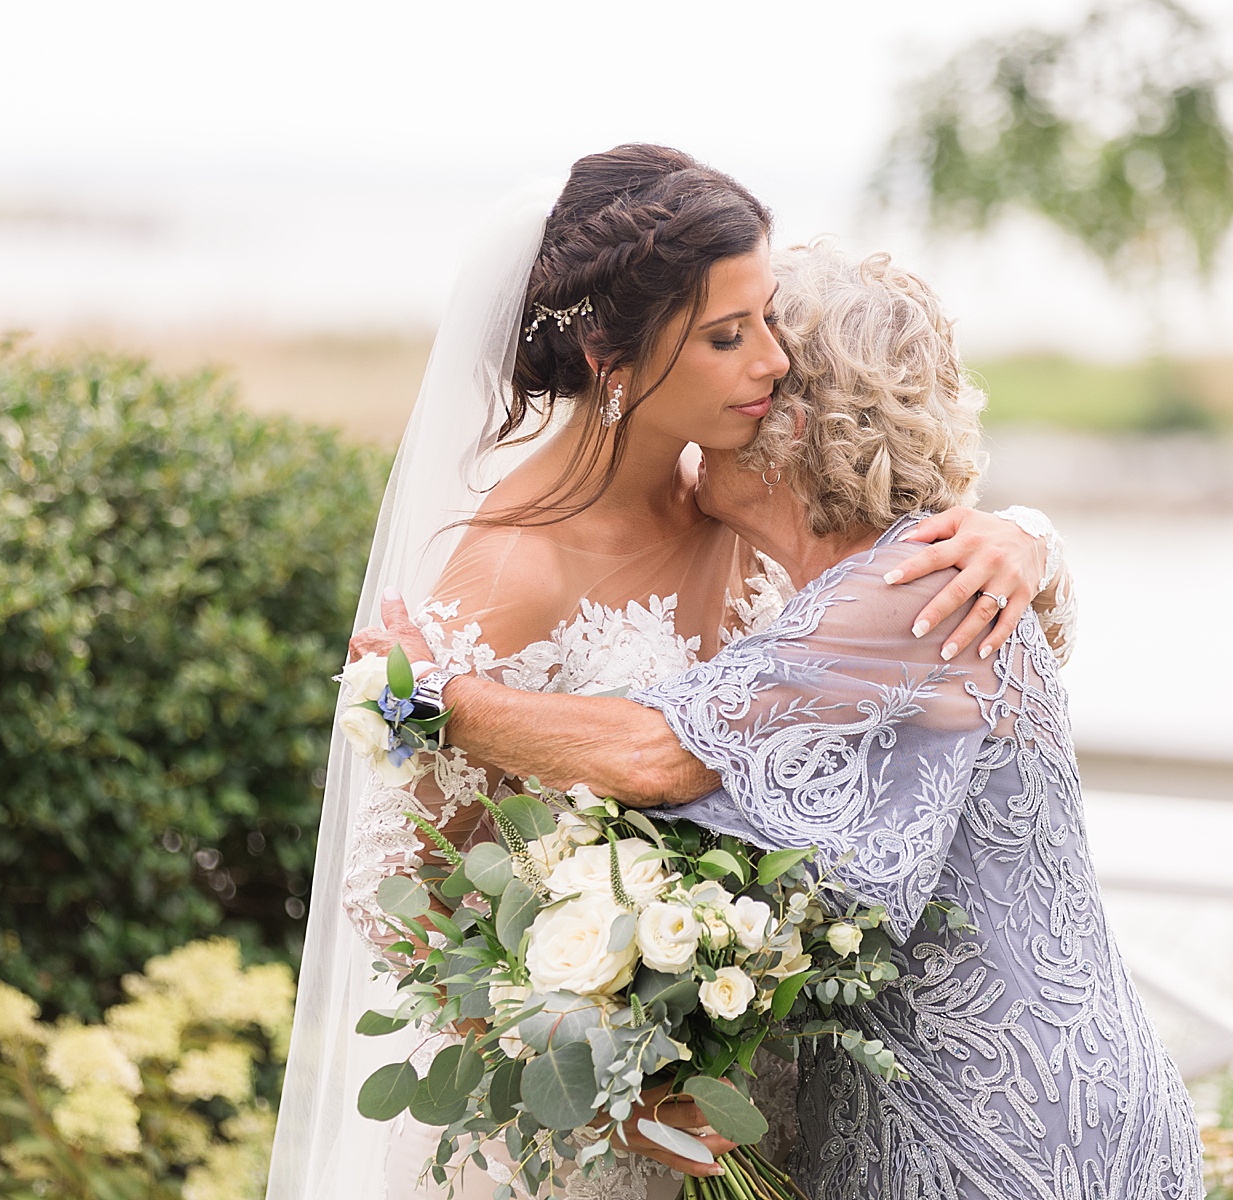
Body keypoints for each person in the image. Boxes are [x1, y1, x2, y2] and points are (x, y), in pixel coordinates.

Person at [269, 147, 1078, 1200]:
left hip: (771, 1102)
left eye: (770, 321)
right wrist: (610, 1073)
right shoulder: (513, 566)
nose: (777, 362)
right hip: (583, 1140)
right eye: (727, 336)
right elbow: (402, 890)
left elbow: (918, 601)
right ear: (610, 354)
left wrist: (1027, 536)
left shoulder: (749, 499)